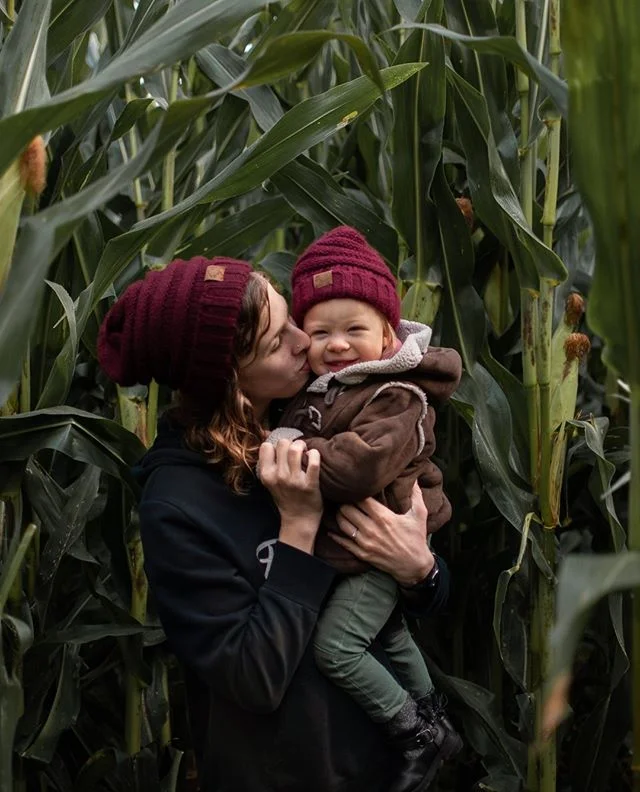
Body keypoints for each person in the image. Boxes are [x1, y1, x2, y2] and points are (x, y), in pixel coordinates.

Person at [97, 253, 452, 792]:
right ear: (228, 381)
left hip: (383, 770)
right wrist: (299, 527)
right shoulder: (178, 505)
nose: (304, 340)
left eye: (290, 319)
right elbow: (254, 679)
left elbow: (410, 600)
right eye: (275, 342)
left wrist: (420, 572)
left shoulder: (319, 424)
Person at [266, 226, 463, 792]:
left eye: (354, 329)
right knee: (391, 635)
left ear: (387, 334)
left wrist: (288, 449)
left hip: (379, 546)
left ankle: (414, 733)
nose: (337, 344)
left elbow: (359, 468)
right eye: (320, 331)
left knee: (337, 649)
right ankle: (437, 722)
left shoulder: (396, 394)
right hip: (361, 549)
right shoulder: (326, 388)